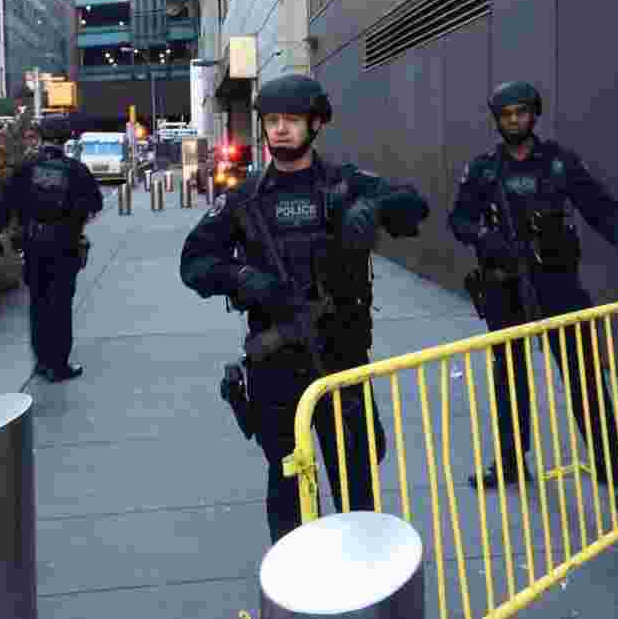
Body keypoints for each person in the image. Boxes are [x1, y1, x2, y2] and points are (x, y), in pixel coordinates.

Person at [180, 74, 431, 544]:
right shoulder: (245, 197)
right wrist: (241, 278)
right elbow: (193, 262)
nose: (279, 130)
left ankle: (365, 579)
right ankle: (294, 588)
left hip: (342, 358)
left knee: (356, 481)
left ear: (315, 124)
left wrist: (373, 211)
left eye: (291, 120)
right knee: (287, 483)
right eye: (271, 121)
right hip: (276, 364)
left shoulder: (344, 184)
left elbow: (415, 206)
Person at [448, 81, 618, 504]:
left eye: (521, 112)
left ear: (535, 114)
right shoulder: (483, 169)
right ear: (497, 120)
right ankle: (511, 460)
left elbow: (600, 207)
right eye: (506, 114)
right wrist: (486, 238)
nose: (514, 120)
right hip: (504, 284)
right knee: (509, 378)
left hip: (557, 284)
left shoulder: (559, 164)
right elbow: (458, 220)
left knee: (584, 376)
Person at [0, 124, 103, 382]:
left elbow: (3, 203)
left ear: (41, 138)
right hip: (65, 246)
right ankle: (58, 364)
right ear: (66, 140)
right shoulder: (76, 170)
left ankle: (42, 361)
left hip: (34, 244)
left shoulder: (26, 168)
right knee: (60, 304)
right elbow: (95, 203)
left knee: (38, 302)